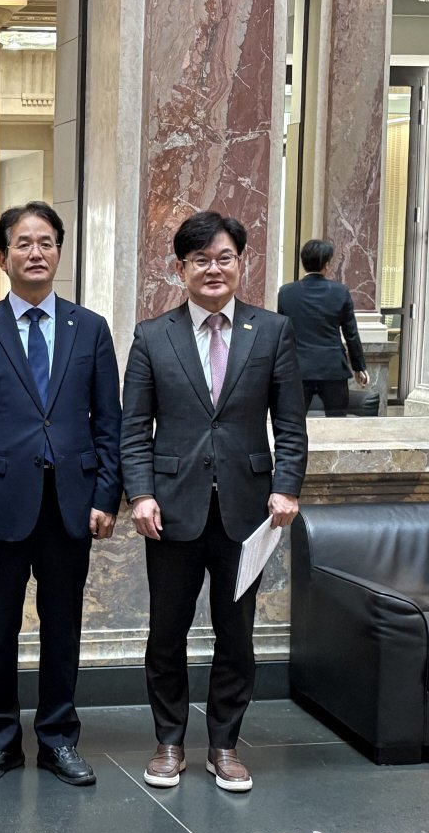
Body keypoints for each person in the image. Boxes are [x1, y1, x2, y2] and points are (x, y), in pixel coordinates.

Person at [121, 210, 308, 793]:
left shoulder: (272, 331)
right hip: (171, 510)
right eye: (200, 259)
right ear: (181, 268)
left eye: (224, 257)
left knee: (236, 633)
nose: (213, 269)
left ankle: (224, 744)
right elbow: (134, 429)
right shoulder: (153, 336)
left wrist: (286, 486)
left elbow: (291, 424)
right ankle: (169, 742)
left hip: (246, 512)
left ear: (240, 263)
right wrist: (141, 493)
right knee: (166, 633)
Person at [0, 201, 122, 786]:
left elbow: (109, 422)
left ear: (59, 253)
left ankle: (58, 739)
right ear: (3, 257)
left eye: (46, 242)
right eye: (23, 243)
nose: (36, 252)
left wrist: (107, 496)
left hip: (71, 503)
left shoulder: (90, 328)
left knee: (63, 626)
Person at [277, 238, 369, 416]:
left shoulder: (286, 293)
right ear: (327, 264)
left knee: (294, 422)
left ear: (303, 262)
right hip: (333, 369)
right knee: (337, 423)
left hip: (298, 369)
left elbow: (280, 334)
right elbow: (351, 334)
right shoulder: (340, 292)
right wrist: (359, 367)